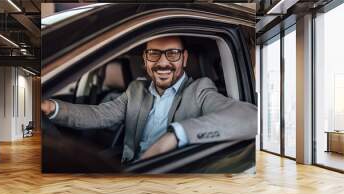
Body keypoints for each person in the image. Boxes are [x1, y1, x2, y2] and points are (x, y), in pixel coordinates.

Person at [41, 36, 257, 164]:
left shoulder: (200, 89)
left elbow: (251, 118)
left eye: (172, 54)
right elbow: (99, 115)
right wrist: (52, 107)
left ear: (184, 59)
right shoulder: (136, 90)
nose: (163, 63)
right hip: (131, 167)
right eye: (154, 54)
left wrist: (175, 135)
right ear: (145, 60)